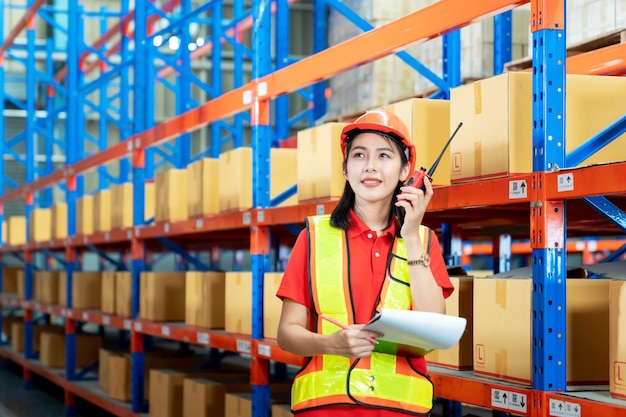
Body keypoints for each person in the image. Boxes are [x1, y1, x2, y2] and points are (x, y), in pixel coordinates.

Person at [276, 108, 455, 416]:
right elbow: (287, 332)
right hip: (326, 410)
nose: (370, 166)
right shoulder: (314, 237)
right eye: (359, 155)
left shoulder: (423, 242)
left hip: (400, 410)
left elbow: (433, 327)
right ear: (345, 169)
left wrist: (410, 235)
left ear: (405, 170)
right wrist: (330, 344)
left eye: (384, 156)